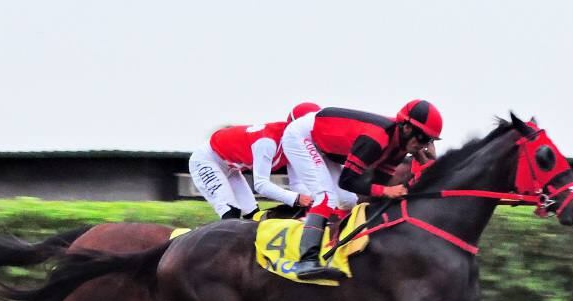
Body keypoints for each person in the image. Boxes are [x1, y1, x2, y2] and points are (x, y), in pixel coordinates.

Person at [280, 99, 443, 280]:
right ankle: (306, 261)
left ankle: (332, 247)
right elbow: (347, 181)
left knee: (348, 201)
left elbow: (376, 185)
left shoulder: (399, 148)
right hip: (302, 137)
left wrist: (426, 165)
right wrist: (386, 191)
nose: (423, 145)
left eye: (429, 140)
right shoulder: (376, 138)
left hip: (323, 145)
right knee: (326, 197)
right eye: (422, 138)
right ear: (407, 128)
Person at [188, 103, 320, 219]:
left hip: (231, 167)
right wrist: (296, 198)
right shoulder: (267, 143)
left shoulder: (293, 146)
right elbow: (261, 185)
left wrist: (319, 198)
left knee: (253, 215)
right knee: (231, 212)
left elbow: (297, 184)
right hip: (206, 160)